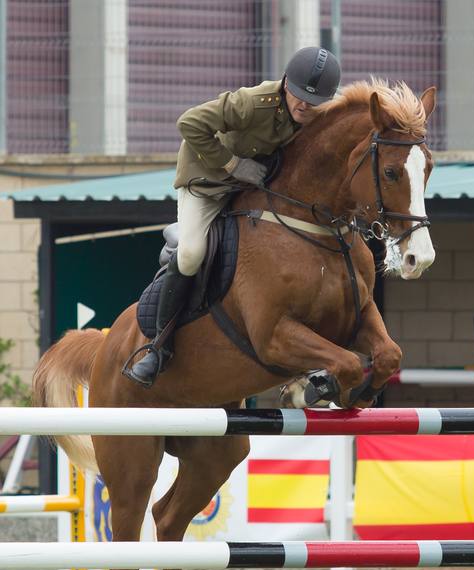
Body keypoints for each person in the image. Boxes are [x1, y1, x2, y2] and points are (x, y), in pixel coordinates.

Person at [126, 46, 341, 387]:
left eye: (313, 102)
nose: (303, 106)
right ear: (286, 83)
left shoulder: (326, 116)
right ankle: (159, 347)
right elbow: (190, 123)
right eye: (298, 96)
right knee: (192, 252)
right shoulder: (252, 103)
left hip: (256, 190)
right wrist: (232, 164)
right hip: (208, 184)